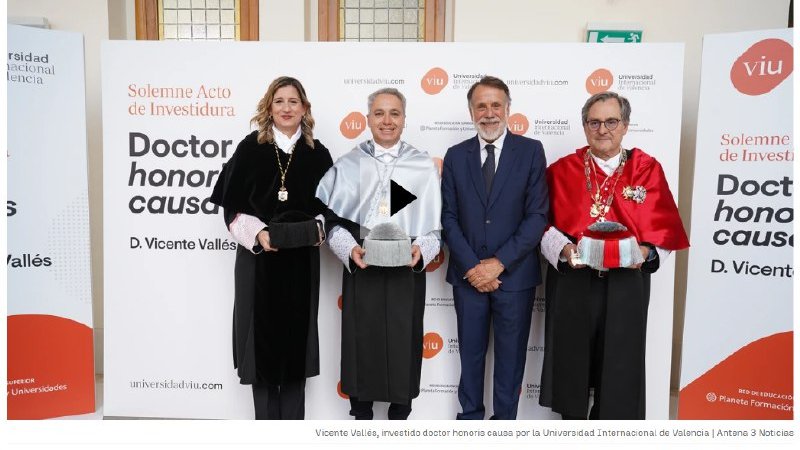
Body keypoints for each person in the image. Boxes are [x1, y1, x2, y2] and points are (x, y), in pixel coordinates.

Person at [538, 91, 690, 420]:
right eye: (594, 122)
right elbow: (539, 224)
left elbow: (665, 231)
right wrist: (564, 249)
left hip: (626, 283)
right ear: (584, 126)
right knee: (571, 365)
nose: (602, 129)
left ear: (625, 126)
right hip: (574, 281)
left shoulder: (646, 169)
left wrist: (645, 254)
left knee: (621, 370)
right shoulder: (560, 171)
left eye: (611, 121)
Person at [209, 76, 333, 419]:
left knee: (295, 345)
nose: (286, 108)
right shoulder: (250, 149)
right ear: (269, 107)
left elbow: (331, 210)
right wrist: (259, 234)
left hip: (300, 263)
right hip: (258, 262)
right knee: (260, 347)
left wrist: (315, 229)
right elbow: (231, 210)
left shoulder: (318, 154)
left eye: (293, 101)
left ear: (304, 108)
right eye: (279, 101)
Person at [316, 87, 441, 420]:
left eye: (394, 113)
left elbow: (436, 224)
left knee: (404, 342)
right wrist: (350, 249)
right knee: (362, 343)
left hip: (405, 273)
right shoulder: (349, 164)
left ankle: (399, 418)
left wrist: (421, 249)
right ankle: (362, 417)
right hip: (363, 270)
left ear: (404, 119)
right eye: (380, 113)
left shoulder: (421, 166)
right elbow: (332, 222)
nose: (387, 120)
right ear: (368, 119)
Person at [441, 76, 549, 420]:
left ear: (508, 109)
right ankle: (471, 421)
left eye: (496, 105)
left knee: (510, 360)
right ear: (471, 111)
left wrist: (498, 263)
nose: (489, 113)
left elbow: (537, 216)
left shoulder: (531, 151)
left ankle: (503, 429)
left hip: (514, 278)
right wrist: (474, 267)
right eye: (481, 106)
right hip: (468, 277)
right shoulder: (455, 156)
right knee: (470, 357)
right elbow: (448, 217)